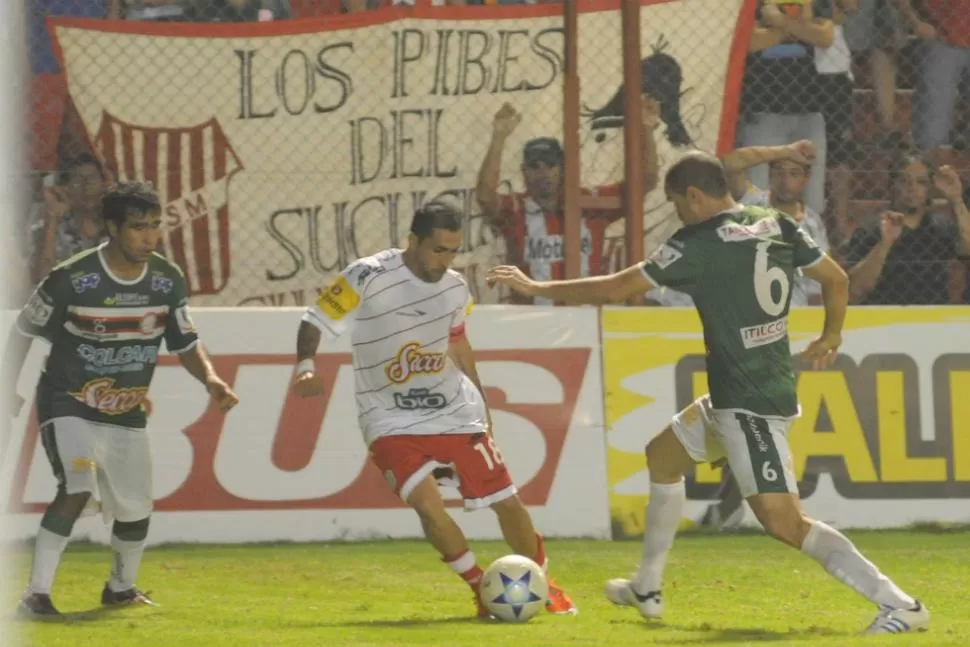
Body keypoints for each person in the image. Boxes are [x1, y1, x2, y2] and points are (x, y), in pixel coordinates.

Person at [486, 153, 930, 635]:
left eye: (677, 202)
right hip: (741, 393)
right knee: (663, 455)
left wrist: (536, 286)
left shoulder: (696, 243)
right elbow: (837, 279)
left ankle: (900, 605)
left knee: (784, 523)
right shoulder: (774, 222)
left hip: (751, 405)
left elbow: (616, 287)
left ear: (695, 196)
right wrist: (832, 334)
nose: (677, 212)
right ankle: (647, 587)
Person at [291, 201, 577, 619]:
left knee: (507, 502)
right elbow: (314, 320)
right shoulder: (367, 274)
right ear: (413, 241)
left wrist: (482, 403)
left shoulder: (455, 287)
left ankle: (544, 585)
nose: (445, 261)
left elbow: (458, 343)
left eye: (452, 252)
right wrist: (305, 367)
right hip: (387, 416)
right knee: (428, 505)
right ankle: (481, 587)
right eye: (438, 250)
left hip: (455, 411)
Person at [5, 181, 239, 617]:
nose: (149, 237)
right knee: (77, 486)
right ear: (112, 228)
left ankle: (120, 588)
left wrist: (211, 379)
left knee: (135, 508)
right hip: (68, 402)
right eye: (138, 228)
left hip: (125, 410)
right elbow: (22, 332)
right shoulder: (72, 278)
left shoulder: (167, 279)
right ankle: (35, 595)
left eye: (154, 226)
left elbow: (186, 341)